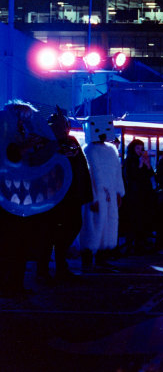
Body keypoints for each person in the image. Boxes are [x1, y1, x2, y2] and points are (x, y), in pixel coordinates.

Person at [0, 100, 72, 295]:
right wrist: (24, 147)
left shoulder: (22, 133)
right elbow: (8, 157)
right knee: (11, 243)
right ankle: (9, 285)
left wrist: (44, 149)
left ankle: (16, 283)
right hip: (6, 200)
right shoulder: (5, 134)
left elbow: (31, 161)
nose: (24, 124)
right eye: (22, 119)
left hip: (21, 197)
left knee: (21, 243)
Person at [36, 107, 93, 282]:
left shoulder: (71, 141)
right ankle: (43, 271)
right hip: (50, 197)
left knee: (72, 226)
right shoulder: (44, 143)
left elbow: (81, 168)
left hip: (71, 196)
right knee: (47, 233)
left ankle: (61, 266)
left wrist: (84, 193)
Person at [80, 115, 125, 268]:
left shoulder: (112, 150)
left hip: (110, 194)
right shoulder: (88, 150)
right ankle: (87, 258)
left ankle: (103, 257)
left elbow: (117, 173)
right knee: (93, 225)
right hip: (95, 194)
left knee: (109, 223)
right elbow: (89, 175)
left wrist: (119, 192)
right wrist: (92, 197)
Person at [121, 139, 156, 255]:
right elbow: (131, 176)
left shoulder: (142, 159)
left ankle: (141, 243)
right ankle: (131, 244)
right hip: (134, 195)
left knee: (143, 219)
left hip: (145, 194)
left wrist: (147, 165)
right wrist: (141, 165)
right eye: (137, 148)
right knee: (134, 220)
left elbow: (150, 174)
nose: (140, 151)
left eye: (141, 149)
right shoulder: (129, 161)